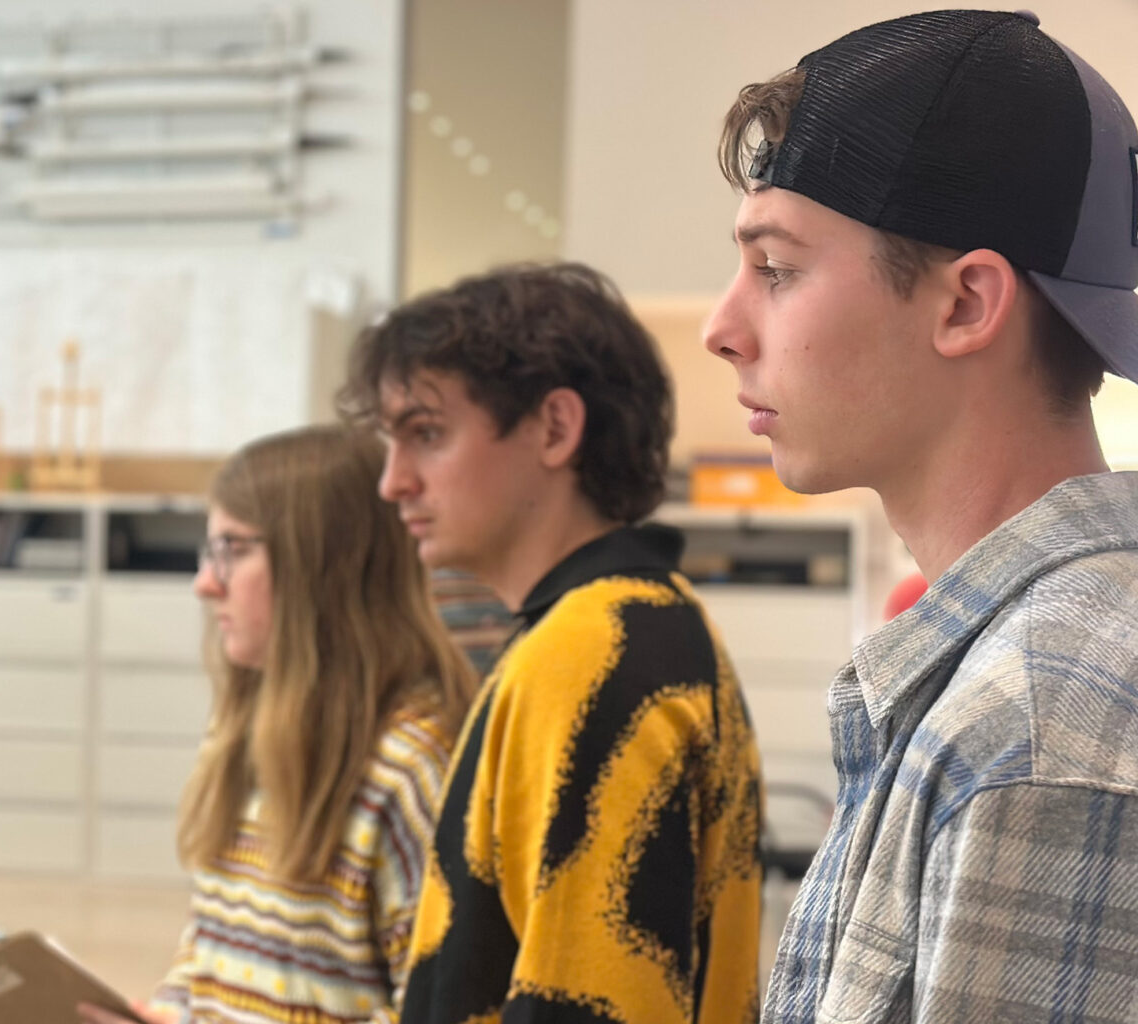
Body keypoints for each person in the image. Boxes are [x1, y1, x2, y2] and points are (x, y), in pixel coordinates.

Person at [705, 10, 1138, 1022]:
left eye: (777, 269)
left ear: (967, 304)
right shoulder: (1001, 686)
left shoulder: (1034, 733)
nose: (724, 328)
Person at [342, 263, 764, 1024]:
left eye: (427, 435)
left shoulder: (591, 653)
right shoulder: (641, 618)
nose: (393, 482)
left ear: (555, 428)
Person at [80, 424, 477, 1024]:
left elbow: (442, 1013)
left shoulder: (414, 767)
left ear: (323, 568)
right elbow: (210, 950)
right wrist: (169, 1012)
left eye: (233, 551)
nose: (205, 583)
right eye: (208, 552)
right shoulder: (244, 728)